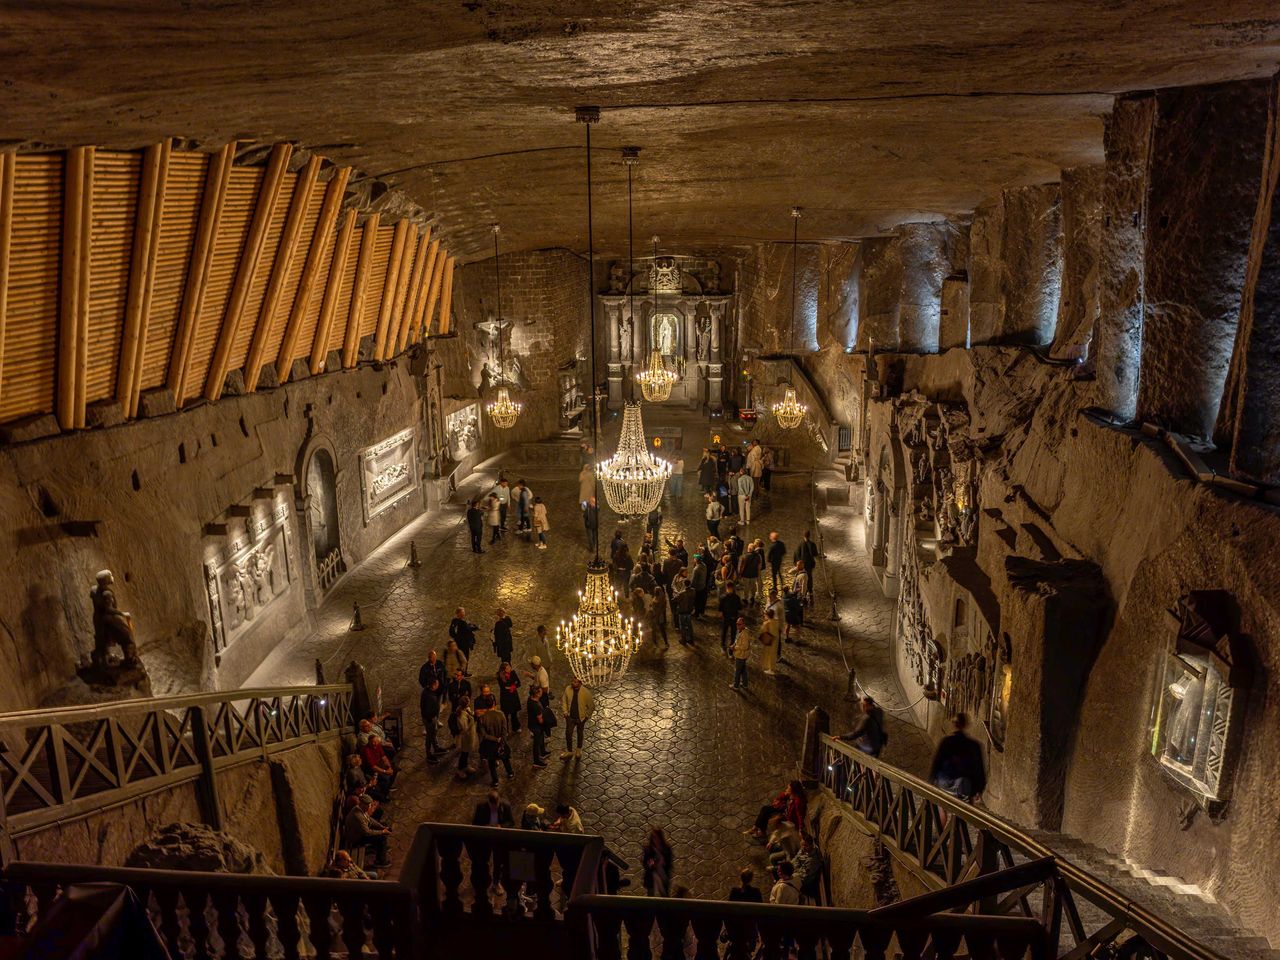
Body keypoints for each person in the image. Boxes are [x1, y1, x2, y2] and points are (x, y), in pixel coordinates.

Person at [929, 713, 987, 801]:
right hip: (964, 787)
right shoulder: (974, 746)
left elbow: (937, 763)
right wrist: (979, 789)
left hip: (946, 783)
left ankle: (942, 813)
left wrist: (931, 780)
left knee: (942, 803)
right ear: (966, 725)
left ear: (954, 724)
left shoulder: (946, 742)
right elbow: (979, 769)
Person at [344, 794, 391, 866]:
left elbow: (370, 820)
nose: (370, 807)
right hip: (356, 838)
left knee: (383, 826)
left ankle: (381, 849)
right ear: (364, 805)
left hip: (360, 832)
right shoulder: (358, 816)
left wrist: (381, 827)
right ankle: (381, 861)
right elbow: (367, 832)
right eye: (369, 805)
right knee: (382, 838)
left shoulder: (360, 809)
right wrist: (382, 832)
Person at [477, 699, 513, 785]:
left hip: (489, 744)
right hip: (501, 742)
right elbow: (505, 731)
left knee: (491, 763)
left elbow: (484, 735)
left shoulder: (482, 718)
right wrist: (501, 741)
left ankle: (495, 781)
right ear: (494, 704)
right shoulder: (500, 714)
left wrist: (495, 739)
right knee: (505, 759)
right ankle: (510, 773)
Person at [561, 677, 594, 759]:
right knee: (568, 734)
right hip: (570, 717)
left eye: (575, 682)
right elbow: (564, 700)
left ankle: (579, 749)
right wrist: (565, 711)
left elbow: (591, 706)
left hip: (581, 718)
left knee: (580, 733)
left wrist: (586, 716)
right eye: (573, 681)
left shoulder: (586, 692)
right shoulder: (568, 689)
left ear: (580, 683)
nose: (573, 683)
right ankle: (569, 751)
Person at [641, 827, 674, 897]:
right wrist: (650, 864)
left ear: (660, 837)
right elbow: (645, 864)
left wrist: (663, 862)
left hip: (663, 876)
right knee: (651, 897)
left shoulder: (666, 849)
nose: (655, 839)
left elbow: (669, 864)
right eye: (653, 837)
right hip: (651, 877)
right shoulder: (649, 850)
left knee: (664, 896)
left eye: (656, 837)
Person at [451, 692, 478, 779]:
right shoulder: (461, 715)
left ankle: (465, 766)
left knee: (466, 753)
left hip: (469, 736)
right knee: (464, 753)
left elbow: (470, 715)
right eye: (468, 702)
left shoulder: (466, 709)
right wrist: (473, 720)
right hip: (465, 738)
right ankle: (460, 769)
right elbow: (465, 728)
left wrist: (472, 714)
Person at [420, 674, 444, 764]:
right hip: (429, 719)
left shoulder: (426, 691)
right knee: (429, 737)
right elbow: (427, 710)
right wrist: (431, 718)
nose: (438, 684)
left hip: (431, 718)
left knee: (433, 734)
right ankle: (429, 754)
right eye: (437, 683)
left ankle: (436, 748)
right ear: (433, 685)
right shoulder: (430, 697)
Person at [527, 686, 550, 767]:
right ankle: (536, 761)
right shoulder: (536, 706)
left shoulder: (530, 699)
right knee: (536, 744)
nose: (542, 692)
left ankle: (543, 752)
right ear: (536, 694)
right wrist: (548, 720)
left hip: (532, 724)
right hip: (536, 727)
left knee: (541, 738)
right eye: (540, 691)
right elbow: (540, 720)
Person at [497, 661, 522, 733]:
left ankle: (516, 727)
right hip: (506, 698)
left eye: (509, 667)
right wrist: (511, 685)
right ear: (504, 670)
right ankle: (506, 730)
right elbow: (503, 687)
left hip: (513, 696)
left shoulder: (513, 673)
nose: (510, 668)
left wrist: (514, 686)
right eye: (508, 668)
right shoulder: (500, 677)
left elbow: (518, 683)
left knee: (514, 713)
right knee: (506, 715)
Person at [795, 531, 819, 603]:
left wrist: (798, 564)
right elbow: (815, 554)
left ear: (804, 536)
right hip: (810, 564)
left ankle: (804, 594)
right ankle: (810, 592)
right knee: (809, 577)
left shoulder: (800, 544)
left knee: (803, 578)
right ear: (809, 536)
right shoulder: (812, 544)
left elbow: (797, 554)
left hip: (803, 565)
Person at [719, 583, 743, 654]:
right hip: (727, 618)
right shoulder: (723, 598)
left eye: (730, 588)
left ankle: (731, 648)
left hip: (733, 618)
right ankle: (723, 646)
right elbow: (720, 608)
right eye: (728, 588)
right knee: (724, 632)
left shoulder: (736, 597)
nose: (729, 590)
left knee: (733, 633)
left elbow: (739, 608)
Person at [738, 541, 762, 606]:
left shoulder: (745, 556)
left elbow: (742, 567)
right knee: (753, 586)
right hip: (754, 574)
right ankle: (752, 598)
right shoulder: (758, 556)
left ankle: (745, 599)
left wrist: (740, 574)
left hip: (746, 575)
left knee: (746, 587)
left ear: (748, 549)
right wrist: (758, 573)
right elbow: (759, 566)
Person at [759, 605, 781, 677]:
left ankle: (770, 669)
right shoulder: (776, 621)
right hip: (776, 640)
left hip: (769, 641)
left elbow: (762, 631)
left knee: (769, 654)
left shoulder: (767, 623)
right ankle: (772, 668)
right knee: (774, 654)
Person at [730, 618, 750, 691]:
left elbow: (745, 646)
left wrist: (735, 647)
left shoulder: (745, 634)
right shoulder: (740, 631)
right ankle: (745, 684)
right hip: (742, 655)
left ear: (743, 625)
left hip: (741, 655)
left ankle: (736, 686)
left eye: (739, 624)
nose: (737, 625)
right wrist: (734, 644)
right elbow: (737, 640)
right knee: (743, 670)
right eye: (736, 624)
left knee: (737, 670)